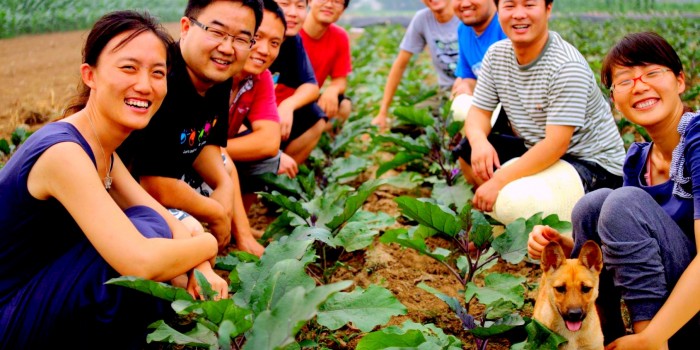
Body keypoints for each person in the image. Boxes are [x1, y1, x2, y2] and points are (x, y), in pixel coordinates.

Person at [0, 11, 227, 348]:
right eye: (128, 68)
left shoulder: (104, 150)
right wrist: (207, 245)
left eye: (158, 73)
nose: (144, 84)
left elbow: (167, 221)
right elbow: (139, 259)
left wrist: (202, 268)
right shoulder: (64, 152)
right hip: (11, 315)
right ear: (90, 75)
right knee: (142, 239)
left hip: (42, 290)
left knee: (156, 226)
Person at [529, 32, 700, 349]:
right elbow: (632, 239)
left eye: (651, 73)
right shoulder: (638, 160)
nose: (639, 85)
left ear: (680, 81)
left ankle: (647, 341)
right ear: (614, 100)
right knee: (592, 207)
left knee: (621, 202)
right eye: (625, 80)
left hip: (687, 313)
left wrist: (652, 337)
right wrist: (560, 245)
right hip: (675, 301)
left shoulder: (698, 141)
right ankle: (607, 336)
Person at [118, 0, 266, 256]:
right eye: (217, 32)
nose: (227, 48)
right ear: (186, 27)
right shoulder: (162, 80)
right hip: (125, 190)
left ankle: (240, 236)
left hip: (170, 177)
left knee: (225, 167)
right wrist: (216, 212)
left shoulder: (218, 76)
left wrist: (224, 186)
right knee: (192, 237)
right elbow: (156, 184)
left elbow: (207, 143)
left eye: (242, 39)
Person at [455, 0, 625, 220]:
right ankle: (508, 222)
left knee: (512, 199)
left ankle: (552, 229)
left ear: (548, 8)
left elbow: (556, 144)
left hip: (593, 166)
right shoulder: (496, 55)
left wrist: (499, 181)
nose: (518, 14)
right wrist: (479, 143)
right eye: (509, 6)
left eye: (529, 5)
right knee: (467, 153)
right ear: (498, 10)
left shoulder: (565, 66)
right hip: (539, 149)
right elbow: (479, 113)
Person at [225, 0, 286, 211]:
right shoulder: (216, 70)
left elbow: (269, 141)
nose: (264, 50)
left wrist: (212, 151)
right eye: (257, 37)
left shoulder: (261, 77)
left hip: (210, 150)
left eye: (275, 43)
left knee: (269, 159)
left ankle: (237, 223)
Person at [371, 0, 460, 131]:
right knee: (401, 125)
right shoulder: (422, 19)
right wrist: (382, 112)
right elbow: (400, 65)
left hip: (473, 88)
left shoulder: (466, 16)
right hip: (446, 92)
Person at [270, 0, 325, 178]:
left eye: (300, 6)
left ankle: (273, 187)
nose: (293, 13)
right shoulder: (248, 39)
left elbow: (311, 85)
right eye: (284, 4)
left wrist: (288, 105)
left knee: (314, 115)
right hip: (225, 127)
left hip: (259, 118)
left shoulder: (292, 40)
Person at [300, 0, 353, 130]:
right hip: (277, 102)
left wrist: (332, 89)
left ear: (343, 9)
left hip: (307, 101)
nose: (329, 5)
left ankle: (321, 140)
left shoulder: (339, 37)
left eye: (337, 2)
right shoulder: (291, 32)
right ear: (310, 1)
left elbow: (340, 79)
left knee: (344, 106)